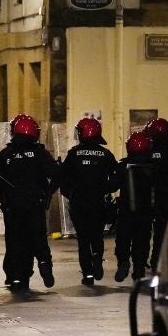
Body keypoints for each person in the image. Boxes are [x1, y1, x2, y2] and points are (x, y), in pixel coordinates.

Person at [0, 115, 61, 293]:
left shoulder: (7, 154)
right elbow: (57, 174)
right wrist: (46, 193)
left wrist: (3, 197)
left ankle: (19, 277)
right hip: (35, 204)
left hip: (13, 206)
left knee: (16, 241)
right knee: (38, 238)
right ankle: (44, 263)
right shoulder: (40, 153)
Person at [59, 118, 117, 286]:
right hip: (98, 202)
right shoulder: (105, 154)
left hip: (78, 202)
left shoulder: (73, 153)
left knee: (83, 239)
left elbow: (63, 177)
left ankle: (88, 275)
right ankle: (97, 257)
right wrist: (106, 188)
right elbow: (117, 175)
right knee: (96, 235)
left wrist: (69, 193)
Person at [113, 131, 156, 282]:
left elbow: (112, 185)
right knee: (142, 241)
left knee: (123, 239)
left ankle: (123, 261)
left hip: (126, 211)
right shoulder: (153, 167)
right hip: (145, 212)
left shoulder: (124, 166)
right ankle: (139, 270)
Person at [146, 118, 168, 271]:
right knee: (167, 233)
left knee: (150, 233)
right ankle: (164, 262)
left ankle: (151, 262)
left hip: (149, 197)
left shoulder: (147, 153)